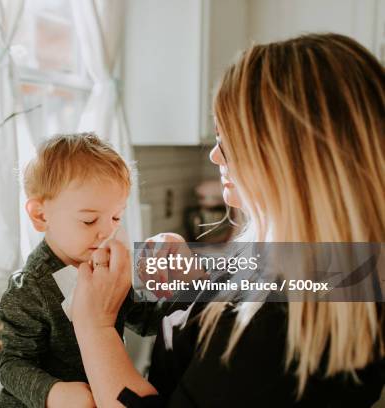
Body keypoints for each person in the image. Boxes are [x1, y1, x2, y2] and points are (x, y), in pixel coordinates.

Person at [71, 33, 385, 407]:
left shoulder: (273, 328)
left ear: (288, 157)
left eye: (229, 142)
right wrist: (195, 285)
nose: (216, 157)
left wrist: (95, 327)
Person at [0, 133, 176, 408]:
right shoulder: (29, 287)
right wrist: (53, 393)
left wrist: (169, 286)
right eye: (89, 220)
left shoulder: (108, 270)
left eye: (116, 217)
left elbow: (148, 322)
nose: (107, 231)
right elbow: (12, 365)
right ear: (41, 215)